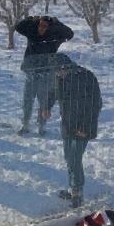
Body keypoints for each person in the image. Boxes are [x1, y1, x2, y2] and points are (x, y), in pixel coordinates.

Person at [46, 55, 102, 208]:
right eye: (55, 73)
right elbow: (53, 92)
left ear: (65, 67)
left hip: (83, 127)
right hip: (67, 125)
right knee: (69, 158)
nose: (57, 75)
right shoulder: (60, 77)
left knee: (75, 159)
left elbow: (95, 104)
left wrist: (85, 128)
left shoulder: (86, 77)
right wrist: (46, 107)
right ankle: (73, 189)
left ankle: (77, 194)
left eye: (58, 72)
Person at [15, 15, 74, 136]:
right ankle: (25, 125)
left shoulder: (54, 37)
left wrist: (57, 22)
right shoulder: (32, 32)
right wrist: (31, 19)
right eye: (40, 25)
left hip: (46, 74)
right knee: (27, 101)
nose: (42, 28)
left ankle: (42, 126)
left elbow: (70, 34)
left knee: (44, 102)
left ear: (49, 27)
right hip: (30, 73)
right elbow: (18, 27)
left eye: (45, 26)